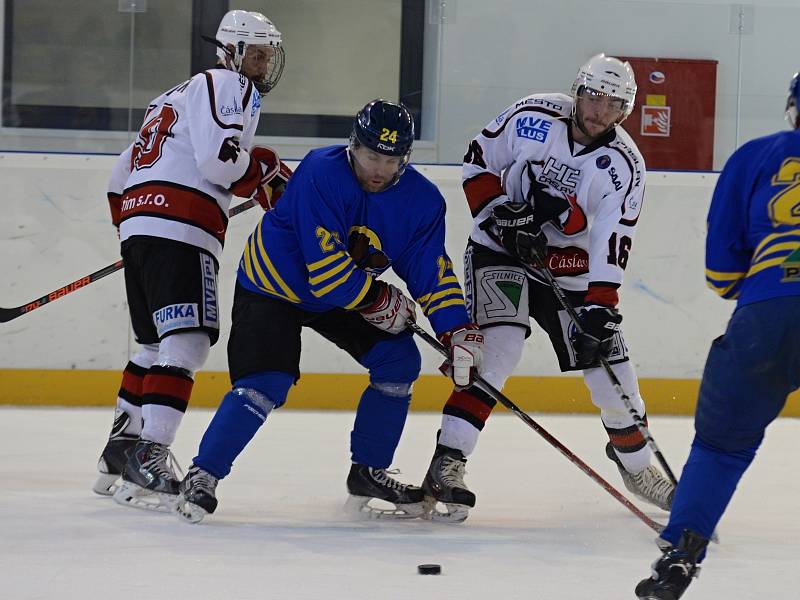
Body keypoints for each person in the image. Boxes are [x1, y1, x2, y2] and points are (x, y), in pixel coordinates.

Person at [174, 99, 485, 523]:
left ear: (405, 160)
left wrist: (458, 331)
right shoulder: (321, 171)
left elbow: (431, 272)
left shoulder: (422, 202)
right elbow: (326, 271)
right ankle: (203, 473)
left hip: (344, 295)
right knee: (267, 381)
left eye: (391, 160)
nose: (379, 169)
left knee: (398, 360)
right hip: (273, 286)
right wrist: (379, 300)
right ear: (352, 147)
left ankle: (368, 472)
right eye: (371, 155)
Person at [420, 54, 676, 523]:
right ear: (577, 91)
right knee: (498, 351)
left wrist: (600, 306)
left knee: (611, 365)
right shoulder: (531, 115)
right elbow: (478, 163)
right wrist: (500, 211)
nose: (600, 110)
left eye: (614, 103)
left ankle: (637, 468)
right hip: (500, 250)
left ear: (625, 110)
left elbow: (611, 238)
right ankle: (448, 463)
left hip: (570, 269)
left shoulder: (624, 165)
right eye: (594, 96)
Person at [92, 9, 292, 512]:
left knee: (151, 344)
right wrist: (264, 169)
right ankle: (152, 456)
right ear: (231, 52)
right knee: (186, 344)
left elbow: (120, 180)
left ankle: (120, 450)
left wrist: (138, 231)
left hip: (141, 226)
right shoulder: (231, 86)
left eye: (268, 54)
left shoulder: (170, 97)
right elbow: (219, 162)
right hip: (182, 230)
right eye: (256, 54)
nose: (263, 64)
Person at [633, 72, 800, 600]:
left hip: (766, 318)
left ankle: (680, 557)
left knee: (722, 447)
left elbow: (723, 276)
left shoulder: (754, 158)